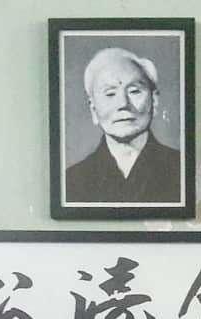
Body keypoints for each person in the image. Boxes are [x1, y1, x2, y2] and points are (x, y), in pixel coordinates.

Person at [64, 47, 181, 205]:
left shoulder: (183, 169)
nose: (123, 104)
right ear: (93, 109)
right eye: (110, 94)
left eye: (134, 91)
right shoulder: (72, 181)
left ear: (155, 101)